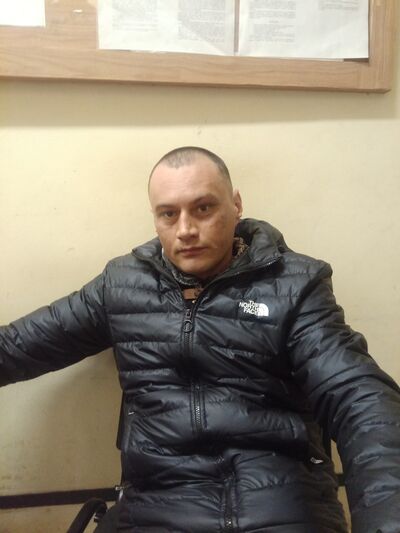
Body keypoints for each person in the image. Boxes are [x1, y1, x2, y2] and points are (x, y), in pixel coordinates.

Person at [1, 146, 400, 533]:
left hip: (280, 501)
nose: (186, 230)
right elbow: (17, 347)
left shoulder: (294, 285)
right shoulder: (122, 285)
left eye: (204, 208)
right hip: (158, 507)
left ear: (236, 205)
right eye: (168, 214)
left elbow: (359, 397)